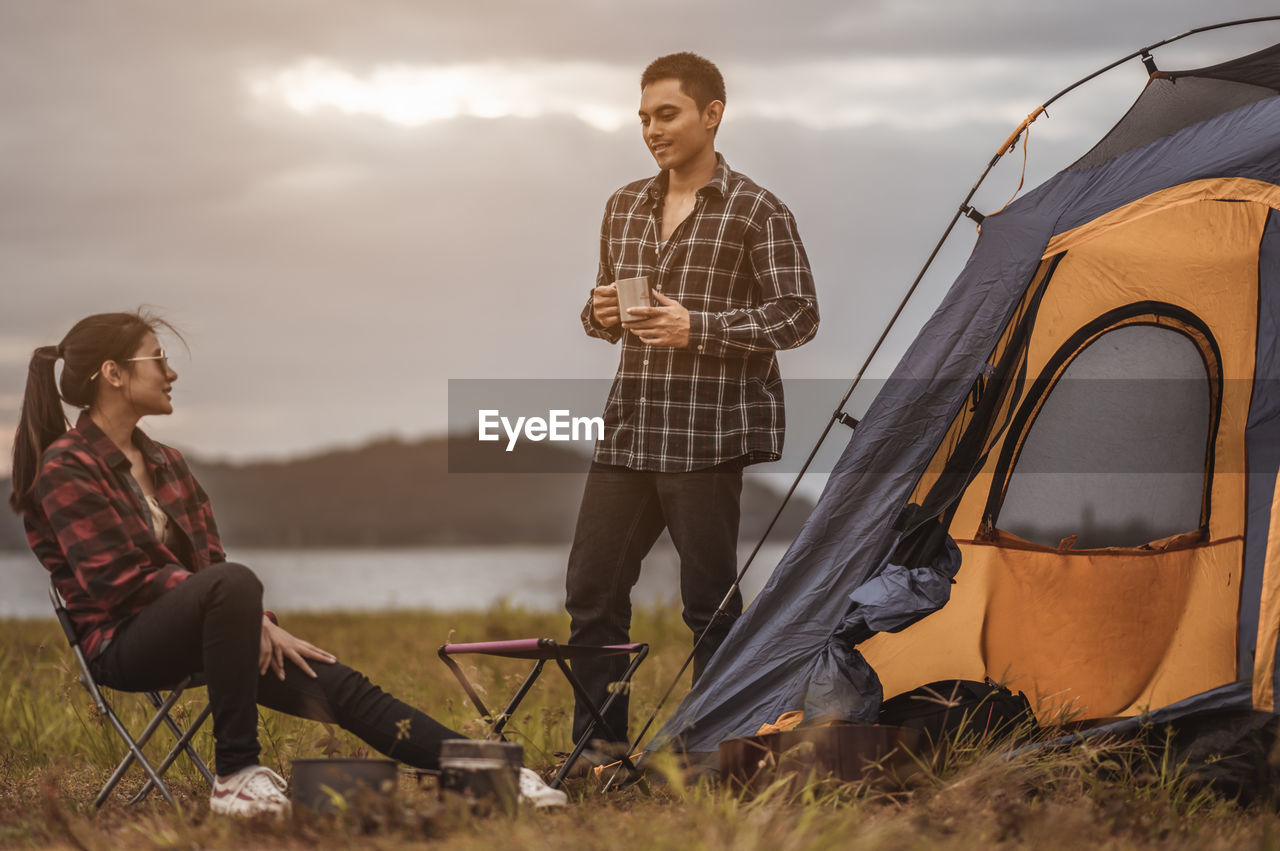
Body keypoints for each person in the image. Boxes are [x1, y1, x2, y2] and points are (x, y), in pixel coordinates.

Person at [10, 311, 567, 816]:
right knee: (235, 583)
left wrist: (255, 623)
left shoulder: (167, 462)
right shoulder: (68, 466)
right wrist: (242, 611)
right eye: (157, 358)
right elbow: (118, 584)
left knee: (340, 685)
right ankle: (235, 775)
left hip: (204, 630)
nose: (170, 373)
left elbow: (210, 566)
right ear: (112, 373)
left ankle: (493, 773)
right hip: (121, 645)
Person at [566, 52, 819, 753]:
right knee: (592, 594)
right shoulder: (623, 205)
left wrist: (697, 327)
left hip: (707, 436)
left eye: (667, 114)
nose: (652, 129)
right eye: (644, 117)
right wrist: (601, 312)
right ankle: (598, 751)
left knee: (708, 607)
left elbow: (798, 314)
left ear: (712, 115)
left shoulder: (757, 209)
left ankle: (718, 748)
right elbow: (600, 313)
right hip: (630, 430)